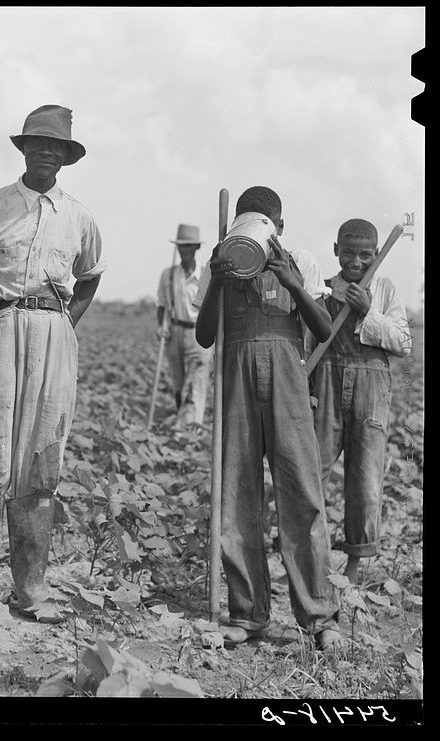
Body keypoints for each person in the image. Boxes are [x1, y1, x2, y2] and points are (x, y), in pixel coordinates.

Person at [0, 105, 107, 621]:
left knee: (42, 465)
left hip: (55, 331)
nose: (45, 153)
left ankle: (31, 587)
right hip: (2, 326)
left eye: (54, 147)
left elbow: (92, 276)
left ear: (65, 157)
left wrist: (63, 326)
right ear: (24, 150)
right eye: (37, 144)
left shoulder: (79, 216)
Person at [194, 185, 341, 649]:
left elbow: (323, 332)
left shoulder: (302, 261)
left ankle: (319, 617)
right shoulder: (221, 265)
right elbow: (203, 338)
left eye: (266, 223)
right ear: (233, 226)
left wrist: (292, 280)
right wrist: (219, 278)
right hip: (236, 382)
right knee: (236, 497)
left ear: (281, 226)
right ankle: (248, 613)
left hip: (289, 385)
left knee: (302, 495)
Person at [310, 219, 412, 584]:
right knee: (314, 473)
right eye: (348, 253)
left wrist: (368, 310)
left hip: (372, 387)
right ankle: (316, 563)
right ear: (336, 250)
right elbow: (310, 343)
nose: (356, 262)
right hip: (326, 384)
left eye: (365, 255)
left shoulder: (384, 287)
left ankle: (352, 572)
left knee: (365, 480)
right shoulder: (322, 290)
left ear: (375, 254)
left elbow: (403, 343)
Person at [155, 223, 212, 425]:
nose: (185, 250)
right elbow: (162, 304)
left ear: (197, 248)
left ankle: (190, 428)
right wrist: (161, 326)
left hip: (200, 334)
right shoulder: (169, 275)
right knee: (179, 384)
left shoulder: (206, 274)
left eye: (189, 246)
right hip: (175, 332)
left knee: (195, 383)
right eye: (181, 246)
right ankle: (183, 420)